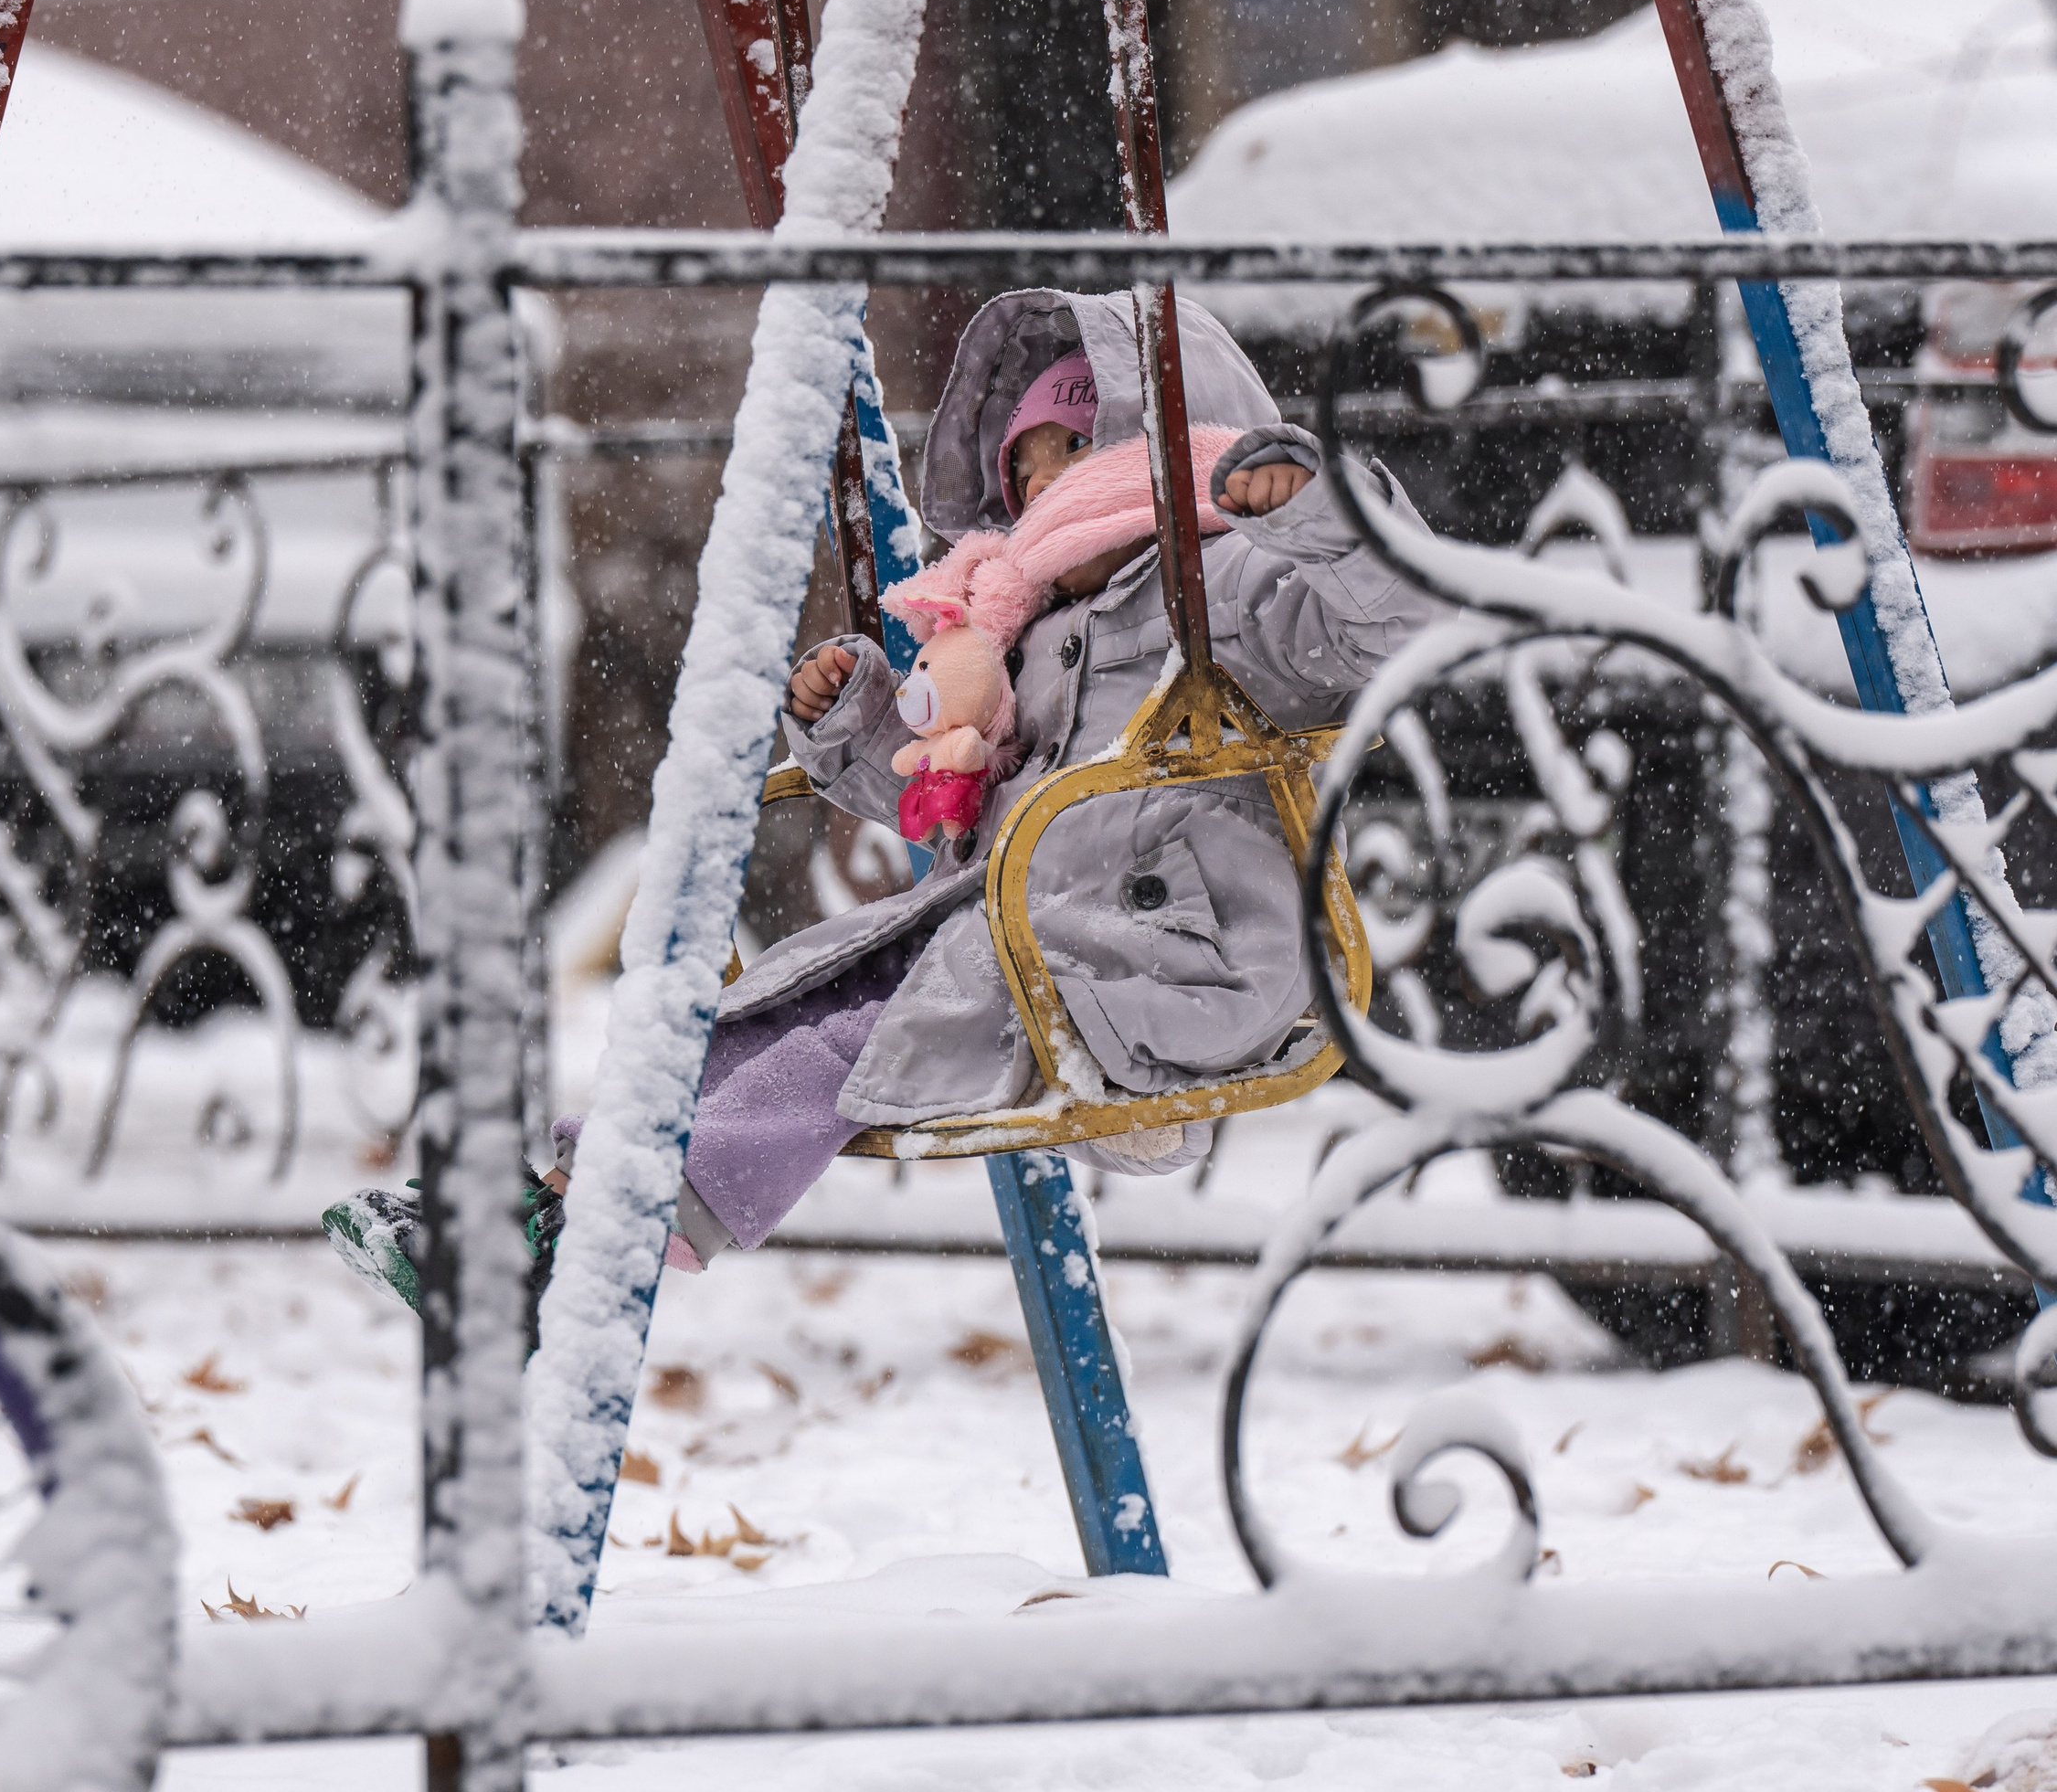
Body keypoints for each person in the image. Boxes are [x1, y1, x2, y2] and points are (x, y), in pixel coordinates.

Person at [323, 286, 1440, 1316]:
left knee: (838, 1049)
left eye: (1077, 453)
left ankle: (612, 1239)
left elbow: (1398, 624)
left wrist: (1317, 514)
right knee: (754, 1020)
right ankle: (540, 1206)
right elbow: (947, 803)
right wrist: (856, 722)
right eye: (1029, 468)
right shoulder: (1023, 640)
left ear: (1160, 457)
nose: (1047, 489)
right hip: (1020, 943)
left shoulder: (1231, 589)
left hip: (1168, 962)